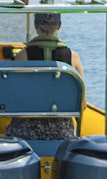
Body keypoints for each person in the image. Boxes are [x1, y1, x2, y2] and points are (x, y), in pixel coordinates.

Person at [7, 12, 83, 141]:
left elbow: (11, 98)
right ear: (59, 25)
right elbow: (82, 104)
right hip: (62, 132)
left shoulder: (23, 56)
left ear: (35, 25)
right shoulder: (73, 57)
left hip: (25, 131)